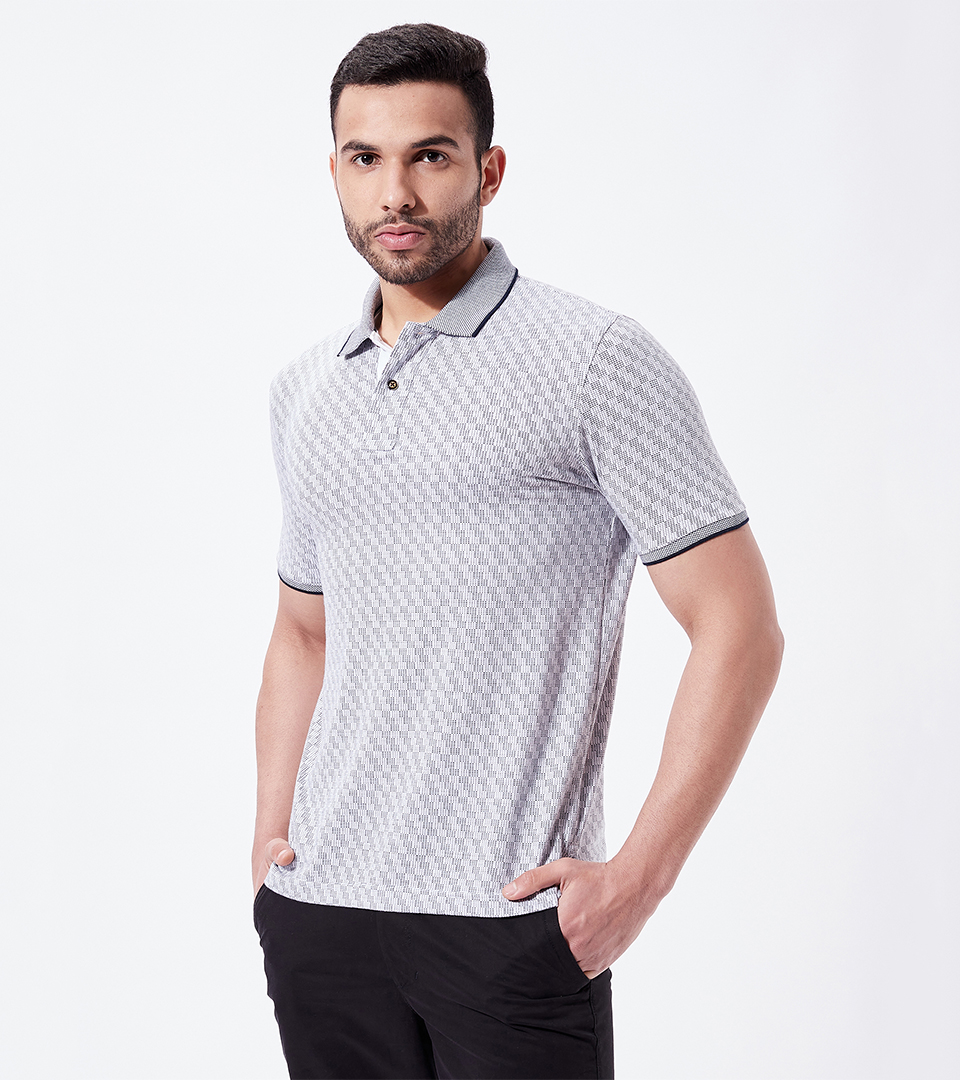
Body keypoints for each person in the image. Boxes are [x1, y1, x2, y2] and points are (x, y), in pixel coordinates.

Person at [252, 22, 783, 1080]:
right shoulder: (306, 389)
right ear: (335, 173)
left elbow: (740, 628)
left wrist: (637, 883)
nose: (396, 192)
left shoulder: (594, 359)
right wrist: (271, 856)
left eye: (430, 155)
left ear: (487, 171)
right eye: (366, 158)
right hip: (322, 920)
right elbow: (304, 631)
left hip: (508, 923)